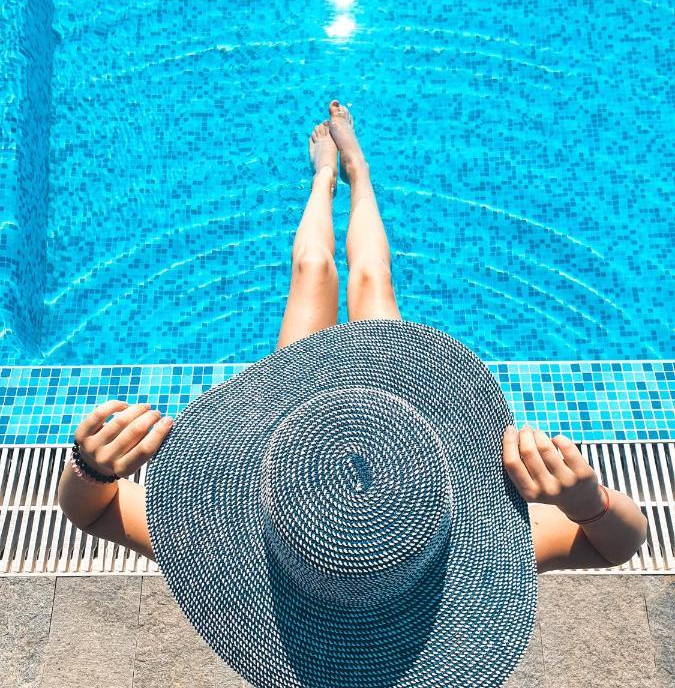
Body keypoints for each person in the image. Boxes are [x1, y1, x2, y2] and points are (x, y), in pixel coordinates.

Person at [58, 100, 648, 573]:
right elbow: (618, 544)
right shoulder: (482, 541)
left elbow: (93, 513)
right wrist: (588, 504)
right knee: (371, 277)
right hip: (397, 411)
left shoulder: (221, 538)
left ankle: (324, 180)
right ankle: (355, 173)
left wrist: (91, 470)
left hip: (296, 415)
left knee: (312, 271)